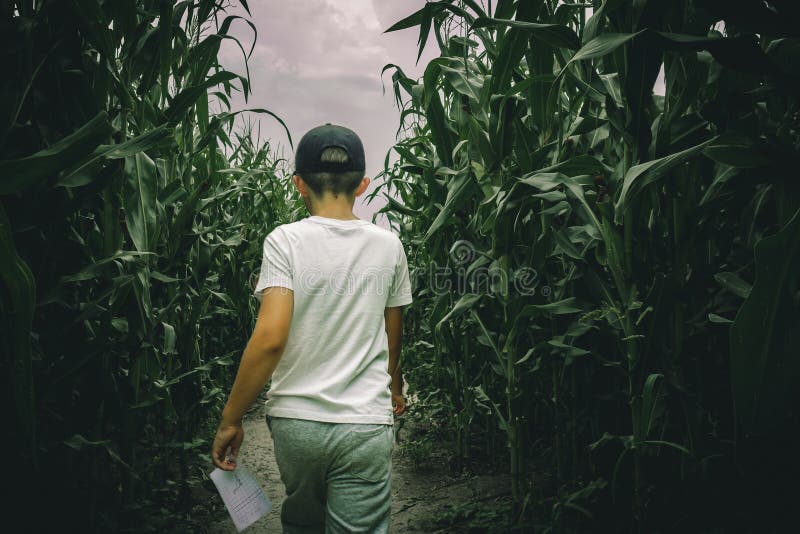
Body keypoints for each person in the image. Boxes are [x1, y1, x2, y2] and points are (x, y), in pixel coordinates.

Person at [211, 123, 413, 533]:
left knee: (303, 525)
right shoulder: (388, 245)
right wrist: (393, 388)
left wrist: (230, 419)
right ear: (363, 185)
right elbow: (393, 336)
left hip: (296, 423)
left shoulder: (284, 241)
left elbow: (269, 339)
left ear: (299, 183)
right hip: (364, 424)